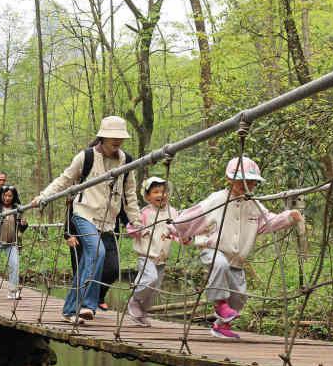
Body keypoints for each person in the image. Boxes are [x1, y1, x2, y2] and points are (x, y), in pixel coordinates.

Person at [172, 157, 302, 339]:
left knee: (239, 297)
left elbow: (267, 222)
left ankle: (220, 326)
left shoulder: (254, 205)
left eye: (251, 182)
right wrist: (174, 228)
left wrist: (288, 217)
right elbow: (194, 215)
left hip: (238, 258)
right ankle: (218, 304)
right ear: (229, 179)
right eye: (242, 181)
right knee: (220, 265)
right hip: (213, 249)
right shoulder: (216, 200)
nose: (247, 186)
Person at [31, 116, 143, 325]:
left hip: (107, 221)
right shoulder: (86, 157)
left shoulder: (126, 161)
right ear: (103, 136)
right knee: (96, 251)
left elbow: (130, 194)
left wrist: (136, 220)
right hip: (84, 214)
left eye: (121, 137)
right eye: (113, 137)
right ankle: (87, 305)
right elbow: (64, 180)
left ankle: (69, 309)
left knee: (93, 264)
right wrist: (43, 196)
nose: (117, 141)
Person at [125, 177, 187, 327]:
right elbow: (131, 227)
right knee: (150, 279)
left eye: (163, 191)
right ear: (147, 196)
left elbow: (178, 230)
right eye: (156, 192)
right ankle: (134, 301)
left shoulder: (172, 212)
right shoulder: (145, 213)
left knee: (154, 289)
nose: (161, 194)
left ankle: (142, 313)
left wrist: (184, 238)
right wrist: (138, 230)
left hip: (162, 257)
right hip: (146, 255)